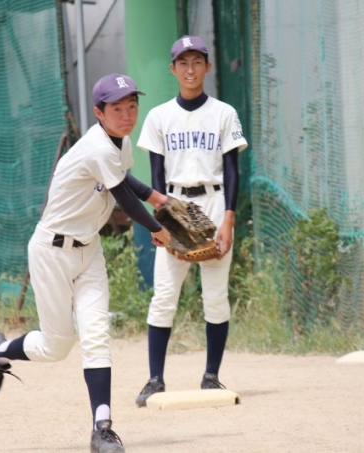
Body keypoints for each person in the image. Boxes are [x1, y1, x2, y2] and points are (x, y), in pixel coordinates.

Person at [0, 73, 171, 453]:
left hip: (89, 252)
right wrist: (157, 228)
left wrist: (157, 198)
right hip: (52, 253)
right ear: (99, 113)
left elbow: (124, 179)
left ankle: (102, 429)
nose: (127, 115)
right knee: (56, 346)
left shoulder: (120, 143)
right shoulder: (96, 147)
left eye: (132, 106)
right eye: (117, 109)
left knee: (96, 335)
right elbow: (123, 199)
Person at [134, 36, 248, 407]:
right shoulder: (159, 116)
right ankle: (155, 379)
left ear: (207, 67)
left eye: (197, 61)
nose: (190, 69)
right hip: (174, 203)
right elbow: (155, 175)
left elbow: (232, 170)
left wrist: (228, 220)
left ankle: (211, 376)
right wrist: (159, 222)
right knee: (164, 296)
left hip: (214, 202)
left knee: (216, 296)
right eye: (183, 62)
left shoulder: (224, 113)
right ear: (173, 69)